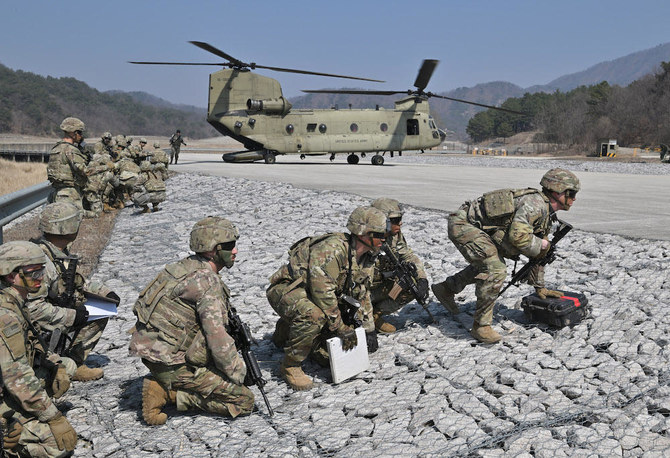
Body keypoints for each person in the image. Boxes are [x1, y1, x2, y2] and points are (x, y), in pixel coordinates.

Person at [432, 168, 581, 344]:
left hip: (481, 229)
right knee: (495, 268)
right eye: (571, 194)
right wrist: (541, 244)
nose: (574, 199)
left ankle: (446, 289)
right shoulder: (535, 205)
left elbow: (539, 255)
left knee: (489, 262)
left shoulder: (546, 212)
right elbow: (518, 237)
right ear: (557, 191)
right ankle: (481, 326)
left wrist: (540, 287)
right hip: (463, 224)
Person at [129, 217, 254, 425]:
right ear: (213, 250)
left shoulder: (182, 267)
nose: (235, 251)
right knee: (244, 401)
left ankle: (167, 380)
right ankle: (166, 393)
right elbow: (217, 337)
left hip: (152, 351)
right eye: (230, 246)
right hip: (171, 364)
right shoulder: (207, 282)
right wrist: (238, 372)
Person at [266, 206, 387, 391]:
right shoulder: (331, 250)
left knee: (325, 358)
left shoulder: (366, 257)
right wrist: (341, 328)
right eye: (379, 234)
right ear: (363, 233)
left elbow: (362, 292)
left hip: (313, 295)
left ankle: (285, 331)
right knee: (313, 316)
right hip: (287, 290)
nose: (383, 239)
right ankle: (291, 365)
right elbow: (323, 295)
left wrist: (368, 329)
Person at [0, 241, 78, 457]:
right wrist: (54, 417)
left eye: (41, 271)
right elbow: (17, 377)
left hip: (8, 383)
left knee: (66, 366)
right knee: (58, 446)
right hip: (7, 388)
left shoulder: (14, 298)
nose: (40, 278)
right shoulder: (6, 317)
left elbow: (32, 342)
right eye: (33, 273)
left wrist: (54, 362)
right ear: (10, 275)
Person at [27, 202, 116, 381]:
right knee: (85, 314)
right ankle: (58, 365)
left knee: (102, 308)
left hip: (55, 310)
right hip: (36, 327)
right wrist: (71, 316)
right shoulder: (43, 263)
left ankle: (73, 362)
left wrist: (104, 293)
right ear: (67, 228)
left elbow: (75, 280)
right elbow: (32, 310)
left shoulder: (56, 251)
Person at [369, 198, 429, 333]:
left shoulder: (394, 235)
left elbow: (408, 255)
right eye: (395, 220)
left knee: (411, 284)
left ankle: (375, 315)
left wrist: (422, 278)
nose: (400, 223)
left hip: (379, 284)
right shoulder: (365, 239)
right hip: (361, 290)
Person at [46, 117, 89, 212]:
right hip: (69, 194)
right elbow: (85, 171)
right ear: (74, 133)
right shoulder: (71, 150)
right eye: (80, 132)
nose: (81, 136)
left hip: (55, 193)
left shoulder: (55, 148)